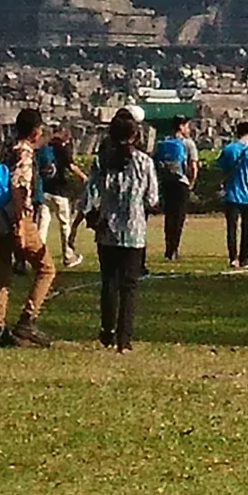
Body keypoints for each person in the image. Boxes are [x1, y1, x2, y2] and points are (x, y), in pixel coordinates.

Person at [83, 106, 157, 351]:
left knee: (109, 282)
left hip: (107, 229)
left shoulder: (102, 162)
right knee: (129, 286)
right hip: (134, 230)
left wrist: (92, 214)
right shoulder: (144, 162)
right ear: (136, 136)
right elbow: (152, 199)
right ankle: (124, 339)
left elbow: (89, 196)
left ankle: (107, 329)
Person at [0, 107, 57, 348]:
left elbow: (25, 149)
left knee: (3, 272)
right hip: (19, 218)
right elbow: (19, 188)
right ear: (35, 130)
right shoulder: (25, 155)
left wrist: (51, 139)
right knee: (46, 268)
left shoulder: (10, 147)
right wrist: (19, 225)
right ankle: (28, 318)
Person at [216, 122, 248, 271]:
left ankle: (233, 257)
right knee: (246, 227)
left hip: (231, 193)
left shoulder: (229, 149)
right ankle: (244, 257)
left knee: (231, 228)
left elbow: (220, 168)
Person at [152, 115, 198, 260]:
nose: (188, 129)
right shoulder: (188, 143)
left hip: (167, 182)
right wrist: (192, 182)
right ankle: (174, 248)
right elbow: (193, 166)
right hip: (181, 182)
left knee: (169, 217)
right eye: (187, 126)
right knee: (179, 217)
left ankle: (168, 247)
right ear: (181, 127)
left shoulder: (163, 142)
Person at [41, 124, 85, 270]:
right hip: (60, 191)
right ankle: (68, 256)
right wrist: (84, 177)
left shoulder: (44, 147)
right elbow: (71, 166)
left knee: (43, 224)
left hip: (45, 191)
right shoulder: (63, 149)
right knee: (64, 225)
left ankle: (36, 255)